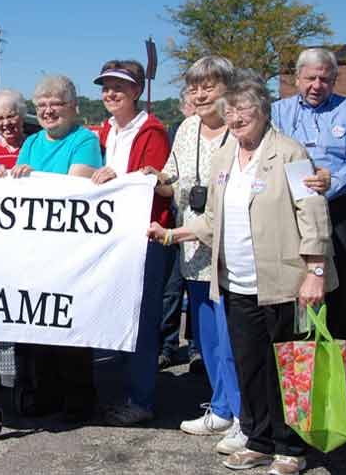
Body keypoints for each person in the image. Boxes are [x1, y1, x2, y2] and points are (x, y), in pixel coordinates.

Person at [148, 73, 336, 475]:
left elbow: (314, 215)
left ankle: (290, 448)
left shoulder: (289, 153)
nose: (234, 117)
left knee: (286, 367)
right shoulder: (224, 160)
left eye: (242, 109)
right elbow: (212, 218)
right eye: (229, 110)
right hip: (235, 284)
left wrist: (315, 271)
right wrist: (171, 235)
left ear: (264, 112)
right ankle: (257, 440)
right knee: (250, 367)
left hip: (285, 284)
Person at [145, 56, 245, 453]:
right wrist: (151, 180)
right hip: (191, 246)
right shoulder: (186, 128)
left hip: (229, 248)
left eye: (210, 86)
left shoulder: (239, 131)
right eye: (194, 87)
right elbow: (171, 178)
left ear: (229, 89)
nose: (201, 94)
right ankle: (221, 407)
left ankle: (243, 416)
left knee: (233, 337)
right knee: (207, 337)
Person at [1, 75, 101, 422]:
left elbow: (71, 190)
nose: (47, 111)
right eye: (42, 105)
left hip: (68, 250)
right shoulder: (29, 144)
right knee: (34, 322)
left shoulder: (84, 140)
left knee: (67, 324)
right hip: (32, 251)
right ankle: (39, 393)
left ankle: (77, 399)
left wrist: (33, 181)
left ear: (73, 107)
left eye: (55, 104)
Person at [89, 60, 172, 426]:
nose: (111, 93)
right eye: (106, 87)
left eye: (119, 87)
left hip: (143, 235)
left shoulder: (151, 131)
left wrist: (117, 177)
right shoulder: (103, 132)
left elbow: (154, 182)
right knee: (110, 313)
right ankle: (113, 393)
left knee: (142, 317)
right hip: (111, 237)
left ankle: (141, 398)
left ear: (137, 91)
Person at [272, 47, 346, 341]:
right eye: (311, 78)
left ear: (334, 79)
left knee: (338, 285)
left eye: (325, 79)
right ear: (296, 78)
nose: (317, 85)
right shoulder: (277, 112)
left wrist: (335, 181)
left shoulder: (345, 109)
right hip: (290, 209)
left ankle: (336, 349)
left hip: (337, 207)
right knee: (295, 281)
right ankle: (297, 349)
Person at [159, 86, 198, 371]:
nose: (195, 113)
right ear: (183, 108)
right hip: (174, 221)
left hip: (202, 226)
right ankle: (167, 345)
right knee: (171, 291)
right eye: (191, 107)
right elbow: (166, 175)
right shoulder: (176, 132)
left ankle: (196, 350)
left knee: (198, 292)